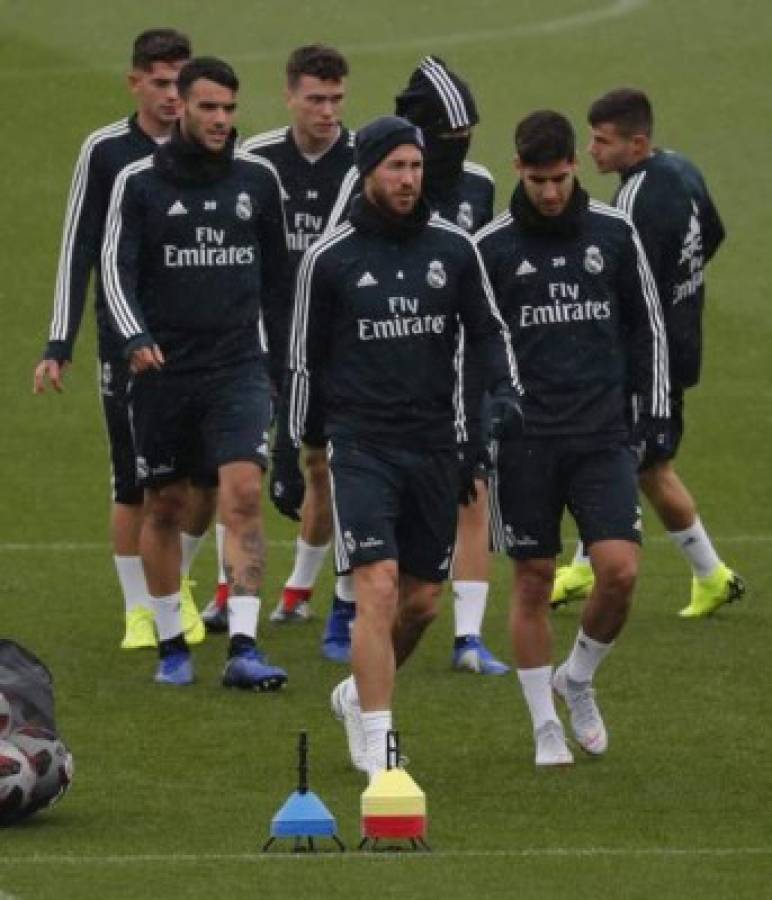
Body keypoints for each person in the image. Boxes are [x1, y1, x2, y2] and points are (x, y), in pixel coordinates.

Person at [277, 115, 523, 777]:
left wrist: (503, 392)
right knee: (377, 586)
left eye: (416, 167)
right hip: (362, 446)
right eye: (397, 167)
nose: (410, 179)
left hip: (436, 444)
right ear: (369, 172)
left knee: (421, 603)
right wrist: (294, 450)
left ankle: (359, 695)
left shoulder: (453, 248)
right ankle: (383, 744)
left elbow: (489, 332)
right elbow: (303, 361)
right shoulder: (330, 259)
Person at [477, 110, 670, 766]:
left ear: (575, 168)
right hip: (525, 441)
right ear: (518, 172)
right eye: (538, 180)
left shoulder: (614, 233)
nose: (552, 193)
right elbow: (473, 346)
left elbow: (647, 324)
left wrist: (657, 411)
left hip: (601, 434)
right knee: (532, 578)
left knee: (619, 571)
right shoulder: (491, 247)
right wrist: (475, 426)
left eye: (560, 178)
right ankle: (543, 726)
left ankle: (578, 678)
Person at [101, 56, 290, 688]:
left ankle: (243, 642)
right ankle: (170, 643)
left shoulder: (258, 181)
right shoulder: (139, 181)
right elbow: (115, 271)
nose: (221, 119)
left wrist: (287, 359)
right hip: (162, 373)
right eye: (208, 107)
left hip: (238, 366)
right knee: (166, 504)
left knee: (241, 495)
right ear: (180, 106)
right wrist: (135, 336)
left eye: (230, 109)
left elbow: (281, 282)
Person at [32, 29, 211, 652]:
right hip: (126, 344)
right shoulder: (106, 151)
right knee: (134, 479)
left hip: (202, 342)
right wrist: (60, 340)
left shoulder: (210, 150)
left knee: (200, 478)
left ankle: (175, 584)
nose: (172, 95)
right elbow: (78, 247)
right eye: (160, 82)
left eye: (180, 83)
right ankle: (140, 609)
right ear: (135, 82)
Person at [552, 88, 744, 619]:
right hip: (682, 339)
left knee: (638, 462)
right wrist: (684, 285)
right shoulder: (682, 169)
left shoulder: (633, 200)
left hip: (648, 356)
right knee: (638, 461)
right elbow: (714, 232)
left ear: (637, 143)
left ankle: (707, 574)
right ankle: (602, 568)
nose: (591, 150)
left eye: (601, 141)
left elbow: (623, 282)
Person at [205, 45, 358, 664]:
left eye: (337, 99)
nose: (327, 111)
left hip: (337, 346)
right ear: (289, 95)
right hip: (261, 342)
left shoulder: (360, 161)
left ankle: (299, 589)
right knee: (239, 471)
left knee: (326, 469)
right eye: (316, 98)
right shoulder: (256, 160)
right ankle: (225, 593)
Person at [396, 55, 508, 676]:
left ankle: (468, 638)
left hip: (460, 362)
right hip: (388, 362)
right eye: (448, 142)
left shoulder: (478, 186)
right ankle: (348, 605)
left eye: (467, 140)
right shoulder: (383, 176)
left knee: (475, 486)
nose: (458, 155)